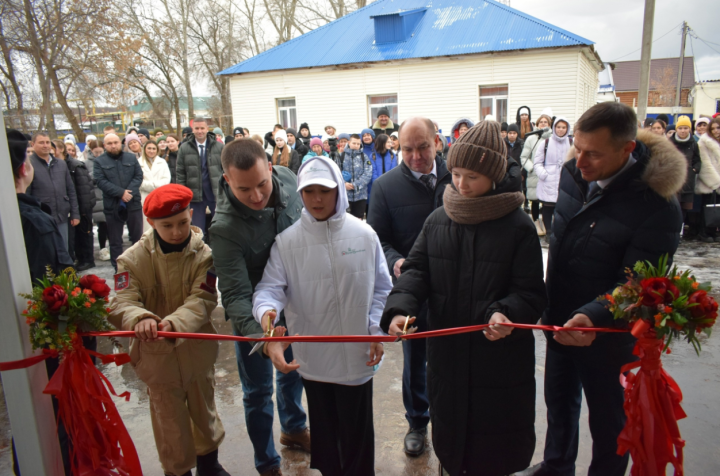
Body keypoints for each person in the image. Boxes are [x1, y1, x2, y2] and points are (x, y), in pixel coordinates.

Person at [523, 102, 685, 476]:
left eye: (592, 153)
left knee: (610, 419)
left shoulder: (656, 204)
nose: (580, 161)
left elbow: (640, 284)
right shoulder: (573, 172)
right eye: (577, 148)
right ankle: (557, 466)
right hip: (561, 319)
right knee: (559, 402)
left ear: (627, 149)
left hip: (606, 333)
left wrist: (593, 314)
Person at [382, 121, 546, 476]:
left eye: (472, 176)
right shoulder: (439, 219)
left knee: (495, 447)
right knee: (452, 440)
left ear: (494, 174)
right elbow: (417, 271)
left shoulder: (518, 227)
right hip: (449, 359)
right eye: (455, 173)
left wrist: (507, 314)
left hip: (499, 362)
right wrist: (400, 309)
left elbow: (532, 294)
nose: (460, 183)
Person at [254, 156, 392, 476]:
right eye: (309, 191)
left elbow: (383, 289)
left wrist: (376, 329)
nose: (317, 199)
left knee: (357, 439)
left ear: (339, 192)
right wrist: (268, 313)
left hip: (359, 358)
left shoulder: (364, 235)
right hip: (314, 361)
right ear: (300, 193)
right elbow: (268, 290)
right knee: (327, 440)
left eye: (325, 190)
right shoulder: (287, 243)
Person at [109, 184, 230, 476]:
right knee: (169, 421)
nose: (177, 232)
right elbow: (120, 302)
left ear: (191, 214)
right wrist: (140, 318)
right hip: (156, 356)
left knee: (204, 411)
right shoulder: (131, 260)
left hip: (195, 349)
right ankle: (177, 471)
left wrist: (173, 324)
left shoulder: (205, 255)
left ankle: (209, 465)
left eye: (183, 223)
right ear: (150, 222)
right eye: (167, 226)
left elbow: (202, 299)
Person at [210, 139, 309, 476]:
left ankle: (294, 428)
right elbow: (235, 296)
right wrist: (265, 338)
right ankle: (266, 462)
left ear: (270, 167)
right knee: (258, 393)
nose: (256, 196)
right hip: (256, 315)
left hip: (295, 303)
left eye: (262, 184)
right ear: (227, 180)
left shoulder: (290, 179)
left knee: (293, 372)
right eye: (244, 189)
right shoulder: (224, 229)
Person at [367, 117, 452, 457]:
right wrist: (395, 261)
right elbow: (377, 239)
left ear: (437, 142)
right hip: (411, 290)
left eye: (423, 148)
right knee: (415, 360)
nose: (416, 156)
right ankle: (418, 422)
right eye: (407, 149)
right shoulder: (386, 187)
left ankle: (450, 419)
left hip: (453, 288)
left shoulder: (457, 179)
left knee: (451, 359)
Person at [10, 129, 74, 282]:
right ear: (23, 169)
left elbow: (70, 188)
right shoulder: (35, 222)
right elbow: (52, 279)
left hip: (61, 213)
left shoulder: (61, 164)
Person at [93, 133, 143, 271]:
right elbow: (101, 181)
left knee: (137, 239)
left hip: (133, 204)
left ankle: (138, 268)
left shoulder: (131, 158)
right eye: (109, 143)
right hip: (112, 206)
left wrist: (128, 193)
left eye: (115, 142)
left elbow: (138, 176)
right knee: (115, 241)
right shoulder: (99, 162)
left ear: (120, 143)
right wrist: (121, 193)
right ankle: (119, 270)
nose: (113, 145)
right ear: (104, 146)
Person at [27, 133, 79, 253]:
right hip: (42, 218)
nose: (45, 145)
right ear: (33, 144)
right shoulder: (29, 165)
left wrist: (75, 214)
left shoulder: (60, 163)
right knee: (47, 252)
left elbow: (70, 189)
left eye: (47, 142)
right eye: (41, 142)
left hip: (62, 216)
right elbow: (27, 194)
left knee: (63, 250)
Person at [176, 117, 224, 236]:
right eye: (197, 128)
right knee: (197, 230)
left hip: (215, 194)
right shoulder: (184, 148)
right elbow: (180, 173)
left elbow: (226, 171)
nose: (200, 131)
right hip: (195, 195)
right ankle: (199, 251)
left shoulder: (219, 147)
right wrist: (183, 195)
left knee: (220, 227)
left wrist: (224, 193)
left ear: (207, 129)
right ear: (193, 130)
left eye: (202, 128)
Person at [534, 117, 572, 242]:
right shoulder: (545, 143)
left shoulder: (572, 143)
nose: (561, 130)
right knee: (548, 208)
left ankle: (560, 232)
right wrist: (544, 174)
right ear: (554, 128)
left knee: (563, 209)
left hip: (565, 180)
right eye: (558, 127)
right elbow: (537, 162)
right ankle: (549, 233)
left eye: (563, 127)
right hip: (548, 181)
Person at [64, 139, 97, 271]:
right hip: (74, 206)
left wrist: (83, 209)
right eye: (68, 150)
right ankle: (81, 258)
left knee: (85, 234)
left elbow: (84, 188)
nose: (70, 152)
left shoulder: (76, 166)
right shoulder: (65, 166)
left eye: (72, 150)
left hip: (82, 206)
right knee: (77, 236)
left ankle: (87, 259)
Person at [669, 116, 702, 240]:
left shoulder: (693, 143)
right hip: (674, 181)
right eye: (681, 128)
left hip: (688, 181)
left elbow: (697, 160)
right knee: (673, 207)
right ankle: (673, 231)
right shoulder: (671, 142)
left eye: (686, 128)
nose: (683, 131)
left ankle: (680, 232)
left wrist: (695, 170)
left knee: (684, 209)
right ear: (677, 129)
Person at [521, 114, 553, 232]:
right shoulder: (531, 139)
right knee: (534, 201)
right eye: (541, 122)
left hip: (549, 175)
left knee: (547, 202)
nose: (543, 124)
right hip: (534, 174)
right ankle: (536, 222)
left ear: (549, 125)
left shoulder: (553, 138)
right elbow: (524, 157)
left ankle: (546, 223)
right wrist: (532, 168)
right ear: (537, 124)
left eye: (546, 122)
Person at [695, 117, 720, 243]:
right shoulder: (704, 141)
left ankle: (715, 232)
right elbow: (705, 164)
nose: (716, 131)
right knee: (708, 208)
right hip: (710, 183)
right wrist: (716, 182)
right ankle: (704, 232)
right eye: (713, 128)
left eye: (718, 128)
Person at [85, 139, 110, 260]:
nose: (98, 155)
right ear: (91, 151)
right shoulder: (87, 163)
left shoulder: (109, 159)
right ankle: (102, 248)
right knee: (102, 225)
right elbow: (87, 178)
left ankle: (114, 247)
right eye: (96, 152)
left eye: (100, 152)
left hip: (109, 194)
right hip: (97, 195)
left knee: (112, 224)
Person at [139, 141, 172, 232]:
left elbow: (166, 180)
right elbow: (138, 181)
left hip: (160, 196)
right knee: (147, 225)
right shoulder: (138, 163)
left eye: (154, 148)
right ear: (144, 149)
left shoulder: (162, 162)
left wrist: (153, 185)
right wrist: (153, 185)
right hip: (144, 196)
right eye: (149, 148)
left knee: (160, 223)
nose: (151, 151)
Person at [342, 134, 373, 219]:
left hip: (361, 196)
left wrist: (355, 185)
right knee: (345, 221)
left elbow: (368, 173)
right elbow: (335, 173)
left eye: (358, 144)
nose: (356, 145)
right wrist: (343, 184)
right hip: (345, 196)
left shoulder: (364, 157)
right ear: (349, 143)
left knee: (358, 221)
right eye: (354, 143)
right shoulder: (341, 156)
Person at [368, 134, 397, 203]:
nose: (391, 144)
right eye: (388, 142)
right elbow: (373, 172)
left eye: (391, 142)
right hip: (377, 186)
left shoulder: (392, 155)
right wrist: (378, 185)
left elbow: (393, 171)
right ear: (382, 142)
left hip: (389, 186)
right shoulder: (373, 156)